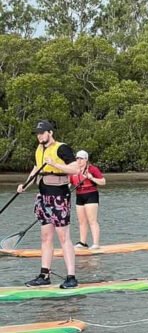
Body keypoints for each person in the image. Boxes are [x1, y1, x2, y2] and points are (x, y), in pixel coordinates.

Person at [16, 120, 81, 288]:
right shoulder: (39, 149)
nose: (39, 136)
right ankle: (44, 275)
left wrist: (55, 164)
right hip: (43, 196)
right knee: (45, 237)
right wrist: (25, 184)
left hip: (59, 197)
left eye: (42, 132)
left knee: (63, 237)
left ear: (50, 132)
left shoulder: (62, 148)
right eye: (38, 133)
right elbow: (37, 168)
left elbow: (75, 169)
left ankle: (71, 277)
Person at [69, 150, 106, 249]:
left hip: (91, 195)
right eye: (77, 158)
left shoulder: (92, 169)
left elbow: (103, 182)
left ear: (86, 159)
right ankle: (83, 243)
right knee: (82, 221)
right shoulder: (74, 170)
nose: (79, 161)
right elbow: (69, 183)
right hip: (79, 196)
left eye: (81, 158)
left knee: (92, 220)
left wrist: (92, 178)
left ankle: (96, 244)